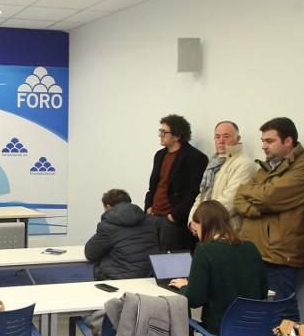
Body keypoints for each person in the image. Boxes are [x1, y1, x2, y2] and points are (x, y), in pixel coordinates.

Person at [235, 117, 304, 323]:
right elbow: (238, 198)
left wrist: (254, 194)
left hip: (280, 254)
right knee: (255, 310)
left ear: (288, 141)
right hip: (254, 248)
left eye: (270, 141)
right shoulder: (267, 168)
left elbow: (269, 196)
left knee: (283, 312)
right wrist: (257, 209)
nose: (263, 146)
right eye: (263, 140)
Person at [169, 201, 268, 336]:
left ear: (203, 224)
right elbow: (262, 291)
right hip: (254, 332)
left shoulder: (205, 251)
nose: (197, 234)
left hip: (219, 332)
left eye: (196, 229)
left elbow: (194, 299)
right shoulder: (250, 247)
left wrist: (185, 286)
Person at [144, 114, 208, 251]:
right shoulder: (159, 155)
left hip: (173, 221)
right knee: (153, 260)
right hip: (153, 216)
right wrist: (148, 207)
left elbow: (194, 191)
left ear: (177, 136)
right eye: (160, 131)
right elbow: (153, 186)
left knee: (172, 266)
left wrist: (174, 215)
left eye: (164, 132)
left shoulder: (195, 157)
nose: (160, 135)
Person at [189, 120, 254, 229]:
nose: (221, 141)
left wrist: (202, 221)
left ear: (237, 139)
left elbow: (231, 200)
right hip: (207, 227)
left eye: (226, 136)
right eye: (217, 137)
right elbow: (202, 194)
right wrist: (192, 221)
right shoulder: (214, 163)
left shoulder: (244, 163)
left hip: (228, 229)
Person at [84, 188, 162, 279]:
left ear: (108, 207)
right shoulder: (149, 220)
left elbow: (90, 253)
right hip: (149, 275)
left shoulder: (108, 225)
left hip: (118, 278)